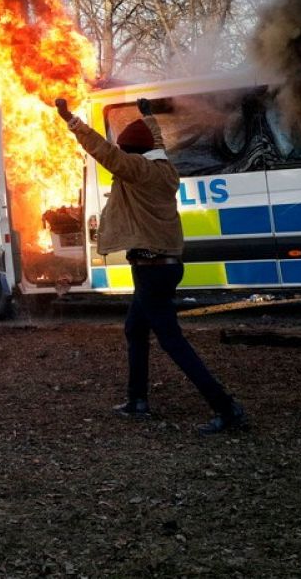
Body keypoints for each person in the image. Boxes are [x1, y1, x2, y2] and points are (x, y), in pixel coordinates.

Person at [56, 97, 246, 434]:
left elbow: (104, 151)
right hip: (164, 265)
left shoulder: (139, 171)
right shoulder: (164, 168)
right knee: (135, 328)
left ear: (134, 154)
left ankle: (225, 407)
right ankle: (137, 400)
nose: (124, 154)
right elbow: (156, 142)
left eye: (127, 151)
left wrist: (72, 120)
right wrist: (148, 117)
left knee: (172, 340)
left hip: (151, 268)